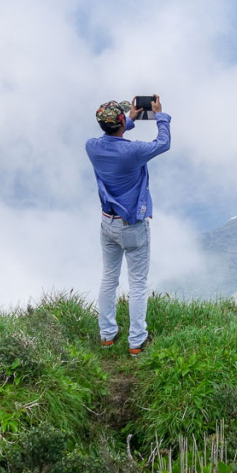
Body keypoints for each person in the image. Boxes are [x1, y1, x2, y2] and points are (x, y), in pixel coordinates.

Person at [86, 95, 171, 356]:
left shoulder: (92, 147)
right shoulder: (133, 152)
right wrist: (160, 116)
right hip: (132, 225)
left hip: (107, 223)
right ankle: (136, 342)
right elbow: (163, 143)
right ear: (121, 122)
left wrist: (129, 120)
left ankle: (107, 336)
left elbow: (111, 138)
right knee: (137, 284)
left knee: (109, 279)